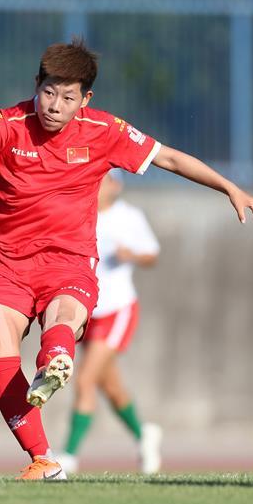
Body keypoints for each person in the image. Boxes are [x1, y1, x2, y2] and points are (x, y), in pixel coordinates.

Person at [0, 39, 253, 480]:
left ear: (85, 99)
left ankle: (52, 365)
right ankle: (44, 460)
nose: (54, 105)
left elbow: (166, 156)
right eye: (49, 91)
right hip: (10, 264)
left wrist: (230, 187)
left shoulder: (103, 130)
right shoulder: (8, 123)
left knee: (62, 318)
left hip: (69, 263)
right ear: (37, 84)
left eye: (68, 97)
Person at [58, 170, 163, 475]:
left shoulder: (129, 216)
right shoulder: (80, 213)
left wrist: (132, 255)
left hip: (117, 309)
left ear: (116, 185)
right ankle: (145, 436)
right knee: (111, 387)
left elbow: (152, 255)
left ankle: (69, 455)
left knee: (84, 379)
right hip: (86, 311)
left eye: (103, 180)